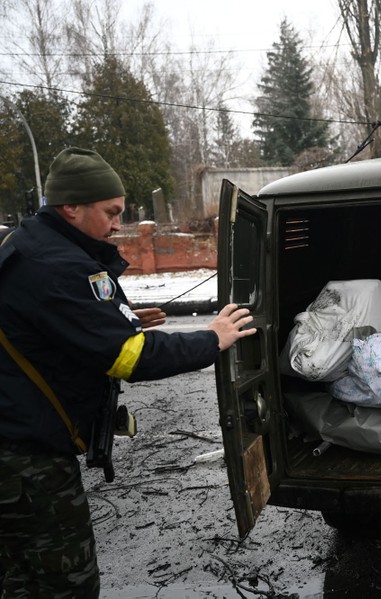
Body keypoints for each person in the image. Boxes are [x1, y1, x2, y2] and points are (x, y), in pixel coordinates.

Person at [0, 147, 256, 597]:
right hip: (25, 459)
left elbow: (40, 326)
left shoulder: (32, 245)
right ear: (71, 206)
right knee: (65, 585)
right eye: (111, 212)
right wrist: (213, 338)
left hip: (15, 442)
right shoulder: (58, 266)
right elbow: (131, 358)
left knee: (21, 577)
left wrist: (117, 319)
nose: (118, 224)